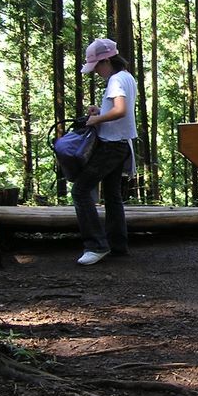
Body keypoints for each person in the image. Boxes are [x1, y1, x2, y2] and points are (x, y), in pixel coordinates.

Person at [72, 38, 138, 266]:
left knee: (80, 190)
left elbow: (120, 111)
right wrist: (100, 111)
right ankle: (118, 246)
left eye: (97, 66)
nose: (96, 72)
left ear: (107, 61)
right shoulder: (126, 77)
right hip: (120, 143)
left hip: (111, 145)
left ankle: (96, 246)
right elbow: (120, 110)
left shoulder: (116, 80)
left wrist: (95, 119)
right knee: (112, 195)